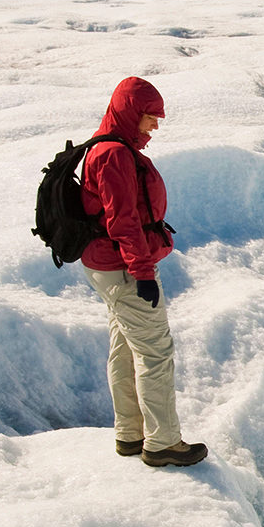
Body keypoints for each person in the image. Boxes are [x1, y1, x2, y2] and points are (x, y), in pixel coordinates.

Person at [80, 76, 207, 467]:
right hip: (124, 269)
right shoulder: (114, 155)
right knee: (155, 352)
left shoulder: (109, 148)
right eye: (150, 118)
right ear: (131, 114)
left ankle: (131, 435)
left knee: (125, 347)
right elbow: (124, 222)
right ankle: (163, 442)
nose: (155, 126)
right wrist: (144, 273)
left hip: (108, 266)